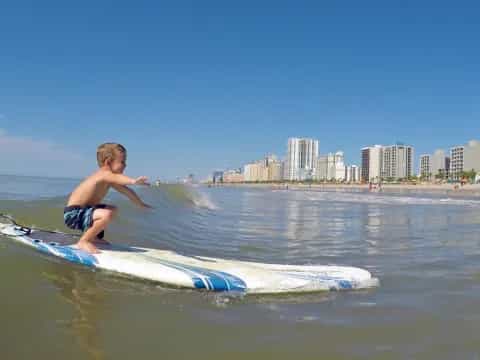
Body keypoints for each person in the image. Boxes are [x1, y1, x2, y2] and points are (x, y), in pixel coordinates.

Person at [64, 143, 151, 254]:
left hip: (86, 210)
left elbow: (127, 191)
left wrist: (140, 204)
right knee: (106, 214)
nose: (125, 165)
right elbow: (118, 178)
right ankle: (83, 241)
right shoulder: (104, 174)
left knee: (112, 209)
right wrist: (133, 181)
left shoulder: (109, 179)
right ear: (108, 162)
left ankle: (95, 238)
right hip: (73, 214)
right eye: (122, 162)